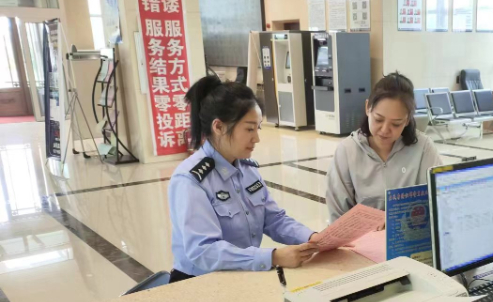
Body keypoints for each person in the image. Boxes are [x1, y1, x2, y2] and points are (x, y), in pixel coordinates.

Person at [168, 76, 318, 282]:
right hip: (198, 283)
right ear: (218, 127)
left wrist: (311, 238)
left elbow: (274, 219)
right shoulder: (191, 180)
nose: (256, 138)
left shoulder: (247, 169)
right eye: (249, 129)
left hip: (241, 275)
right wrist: (272, 257)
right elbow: (204, 251)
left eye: (258, 128)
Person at [325, 72, 442, 221]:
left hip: (410, 232)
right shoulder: (347, 151)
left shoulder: (423, 148)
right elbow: (338, 216)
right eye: (378, 120)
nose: (385, 130)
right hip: (362, 235)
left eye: (396, 124)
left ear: (407, 120)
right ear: (368, 108)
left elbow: (436, 203)